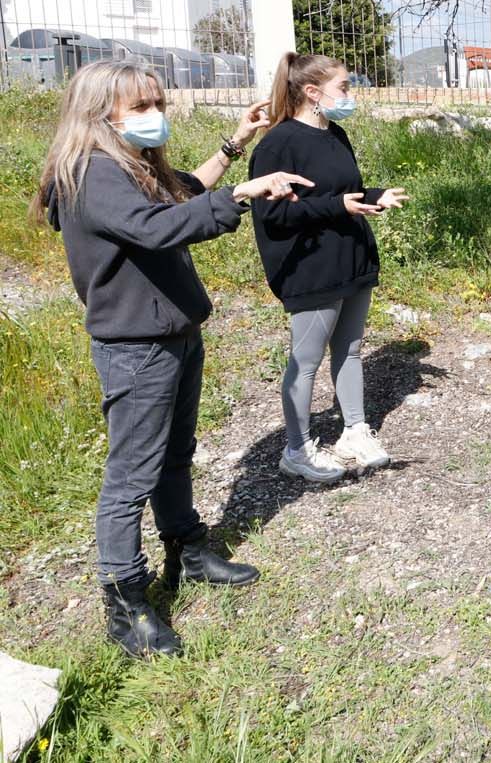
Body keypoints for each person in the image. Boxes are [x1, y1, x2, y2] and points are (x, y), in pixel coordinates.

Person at [34, 60, 311, 658]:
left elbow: (182, 196)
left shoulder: (128, 165)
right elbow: (159, 228)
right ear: (99, 111)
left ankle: (186, 550)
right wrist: (243, 193)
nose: (155, 115)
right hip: (137, 346)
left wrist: (234, 145)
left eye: (157, 102)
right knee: (131, 475)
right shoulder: (92, 174)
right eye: (141, 106)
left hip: (173, 331)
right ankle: (125, 603)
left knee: (174, 453)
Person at [250, 53, 410, 483]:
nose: (350, 95)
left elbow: (346, 190)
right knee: (305, 361)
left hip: (351, 259)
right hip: (312, 269)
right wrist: (337, 205)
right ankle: (297, 449)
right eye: (344, 87)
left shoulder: (335, 133)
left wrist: (374, 195)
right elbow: (273, 216)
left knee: (351, 348)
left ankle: (354, 431)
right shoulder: (277, 144)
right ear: (312, 93)